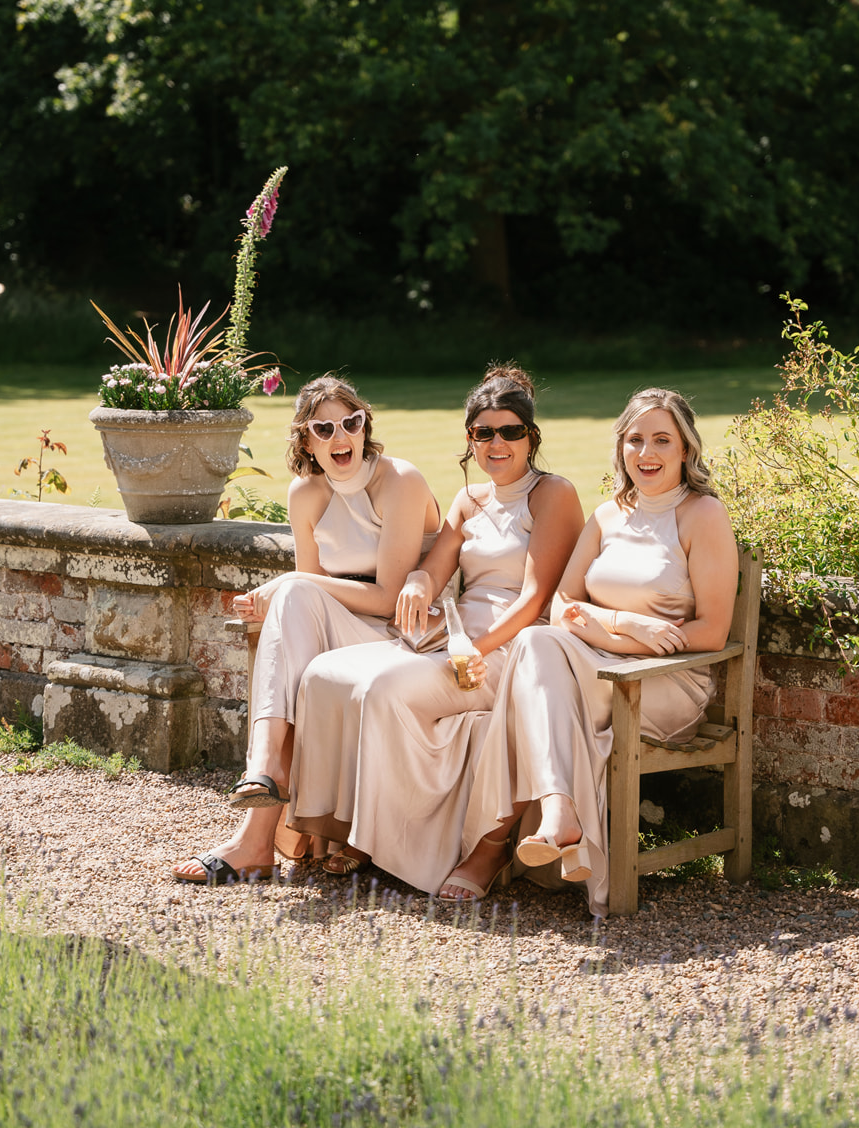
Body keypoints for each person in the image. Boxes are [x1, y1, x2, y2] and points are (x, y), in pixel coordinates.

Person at [286, 364, 585, 892]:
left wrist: (475, 651)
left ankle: (387, 842)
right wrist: (420, 584)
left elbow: (536, 598)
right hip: (451, 640)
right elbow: (435, 565)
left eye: (510, 431)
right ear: (470, 440)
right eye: (483, 432)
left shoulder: (552, 494)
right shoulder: (469, 501)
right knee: (324, 673)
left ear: (530, 437)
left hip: (513, 652)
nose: (497, 443)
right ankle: (340, 827)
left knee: (382, 690)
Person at [444, 386, 738, 914]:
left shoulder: (703, 516)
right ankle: (559, 810)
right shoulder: (607, 516)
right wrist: (625, 623)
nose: (646, 454)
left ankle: (499, 846)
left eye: (661, 441)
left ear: (686, 450)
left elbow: (712, 633)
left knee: (528, 690)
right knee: (535, 640)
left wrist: (621, 634)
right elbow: (561, 608)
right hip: (605, 667)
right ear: (621, 447)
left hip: (666, 681)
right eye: (635, 440)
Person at [173, 374, 440, 885]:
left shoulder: (400, 481)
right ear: (305, 439)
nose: (341, 437)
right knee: (293, 611)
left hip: (405, 632)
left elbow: (386, 599)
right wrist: (283, 601)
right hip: (344, 623)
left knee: (294, 594)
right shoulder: (306, 494)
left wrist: (289, 585)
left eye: (351, 423)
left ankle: (260, 799)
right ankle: (263, 787)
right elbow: (310, 591)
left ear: (365, 425)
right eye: (324, 428)